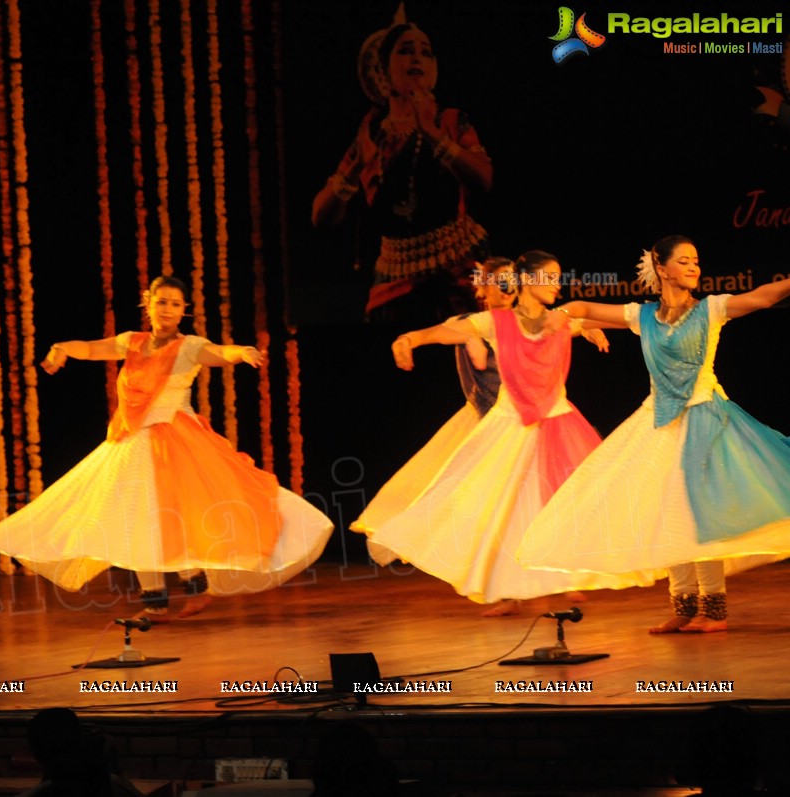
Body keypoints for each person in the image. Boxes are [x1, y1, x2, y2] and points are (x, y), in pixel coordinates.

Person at [0, 276, 333, 621]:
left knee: (179, 512)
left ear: (184, 311)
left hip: (174, 440)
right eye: (161, 301)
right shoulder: (131, 342)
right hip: (130, 440)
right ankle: (156, 600)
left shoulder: (189, 346)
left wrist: (240, 352)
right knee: (136, 518)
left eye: (175, 304)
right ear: (147, 302)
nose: (167, 309)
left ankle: (194, 585)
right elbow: (90, 348)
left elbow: (218, 353)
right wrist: (61, 349)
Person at [518, 236, 790, 633]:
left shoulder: (710, 310)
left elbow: (763, 297)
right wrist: (565, 315)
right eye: (684, 261)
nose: (694, 267)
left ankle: (714, 610)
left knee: (704, 512)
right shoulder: (641, 315)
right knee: (670, 513)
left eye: (696, 261)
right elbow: (584, 308)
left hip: (705, 419)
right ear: (662, 269)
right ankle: (683, 605)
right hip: (659, 423)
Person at [353, 251, 631, 614]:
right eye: (549, 277)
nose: (556, 285)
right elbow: (446, 332)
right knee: (501, 508)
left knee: (561, 504)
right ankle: (509, 584)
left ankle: (559, 576)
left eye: (558, 277)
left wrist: (598, 325)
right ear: (527, 280)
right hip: (511, 425)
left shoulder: (561, 319)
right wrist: (411, 338)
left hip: (559, 424)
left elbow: (617, 318)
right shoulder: (494, 322)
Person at [312, 14, 492, 322]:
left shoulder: (448, 121)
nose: (417, 58)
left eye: (425, 52)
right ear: (383, 71)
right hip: (393, 281)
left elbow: (484, 181)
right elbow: (320, 217)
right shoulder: (370, 134)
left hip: (459, 271)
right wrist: (355, 169)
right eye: (406, 50)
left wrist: (436, 139)